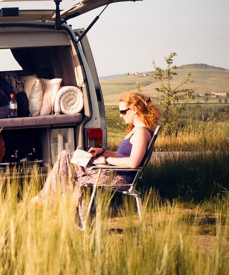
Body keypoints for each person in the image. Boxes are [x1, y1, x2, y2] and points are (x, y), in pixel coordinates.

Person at [30, 92, 160, 228]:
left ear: (134, 109)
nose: (121, 115)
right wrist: (103, 152)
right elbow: (123, 155)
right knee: (67, 157)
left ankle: (50, 203)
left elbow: (133, 163)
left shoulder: (141, 132)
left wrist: (106, 160)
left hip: (120, 177)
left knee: (68, 160)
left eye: (123, 111)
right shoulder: (136, 130)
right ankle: (62, 212)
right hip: (113, 171)